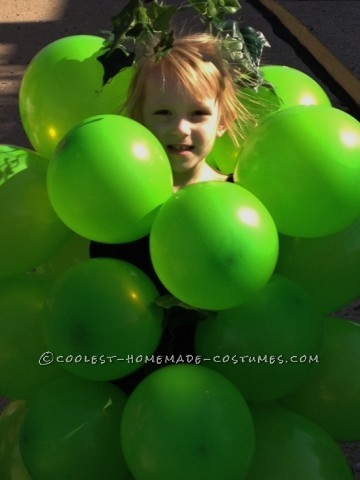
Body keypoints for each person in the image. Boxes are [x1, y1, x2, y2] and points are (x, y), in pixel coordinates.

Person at [90, 34, 254, 391]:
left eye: (198, 113)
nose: (181, 128)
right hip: (128, 377)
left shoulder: (241, 202)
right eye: (163, 113)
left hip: (227, 376)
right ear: (140, 118)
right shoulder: (119, 204)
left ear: (222, 120)